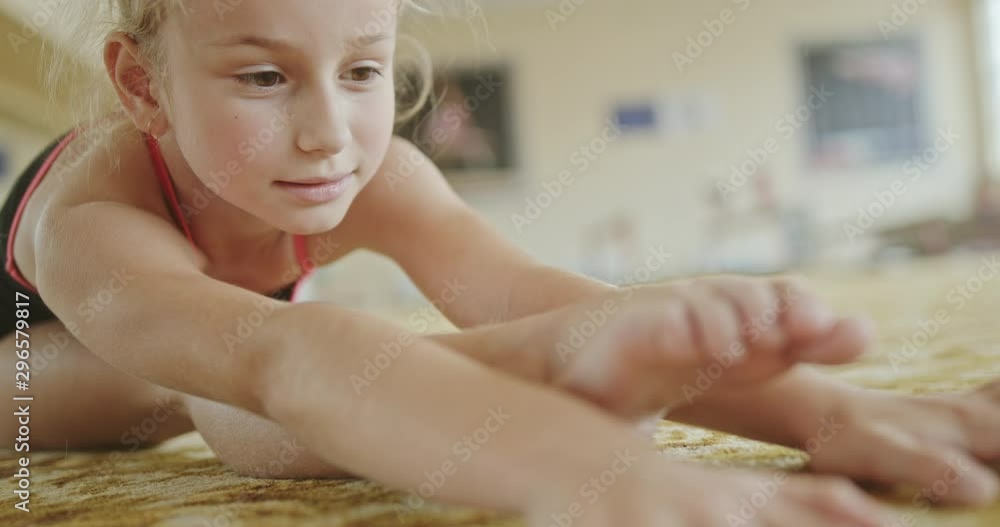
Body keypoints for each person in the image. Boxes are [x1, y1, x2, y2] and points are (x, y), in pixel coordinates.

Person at [2, 2, 998, 526]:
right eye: (262, 77)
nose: (326, 134)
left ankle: (519, 364)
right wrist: (589, 471)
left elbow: (545, 296)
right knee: (221, 380)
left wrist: (830, 410)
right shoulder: (97, 216)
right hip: (29, 376)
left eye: (360, 71)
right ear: (142, 85)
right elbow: (274, 358)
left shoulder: (373, 166)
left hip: (244, 338)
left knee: (300, 357)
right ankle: (520, 370)